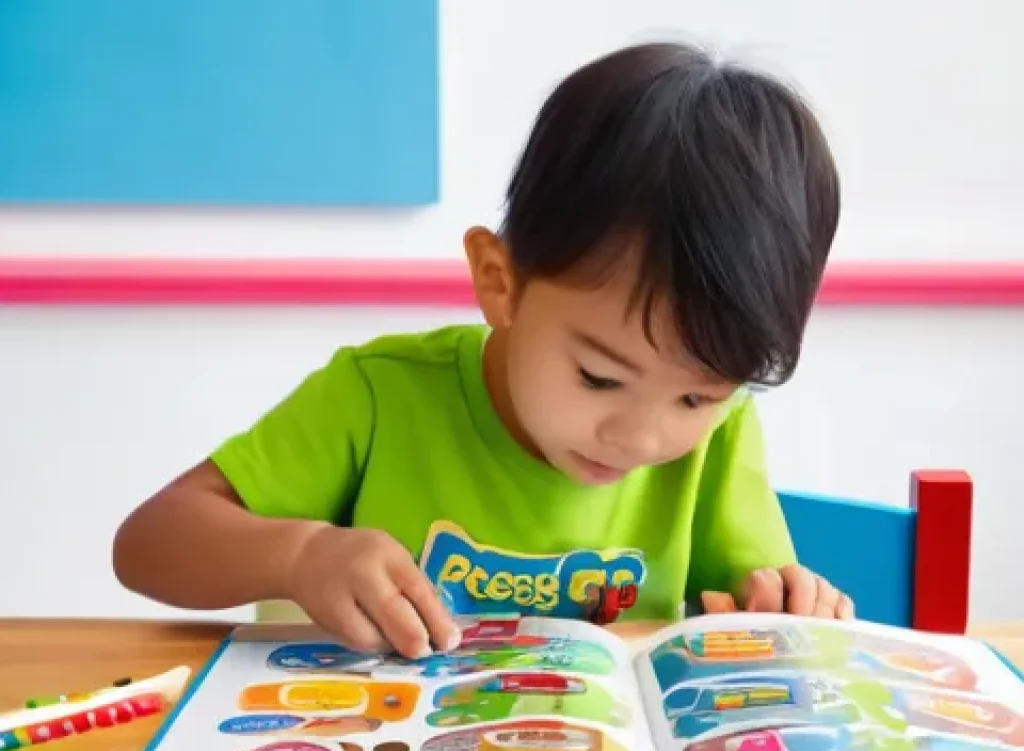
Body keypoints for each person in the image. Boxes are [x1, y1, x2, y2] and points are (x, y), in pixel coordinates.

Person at [112, 40, 852, 661]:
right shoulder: (378, 397)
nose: (641, 436)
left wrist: (783, 605)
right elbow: (147, 546)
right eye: (598, 377)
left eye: (696, 396)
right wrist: (299, 557)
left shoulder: (719, 436)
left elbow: (755, 606)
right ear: (499, 282)